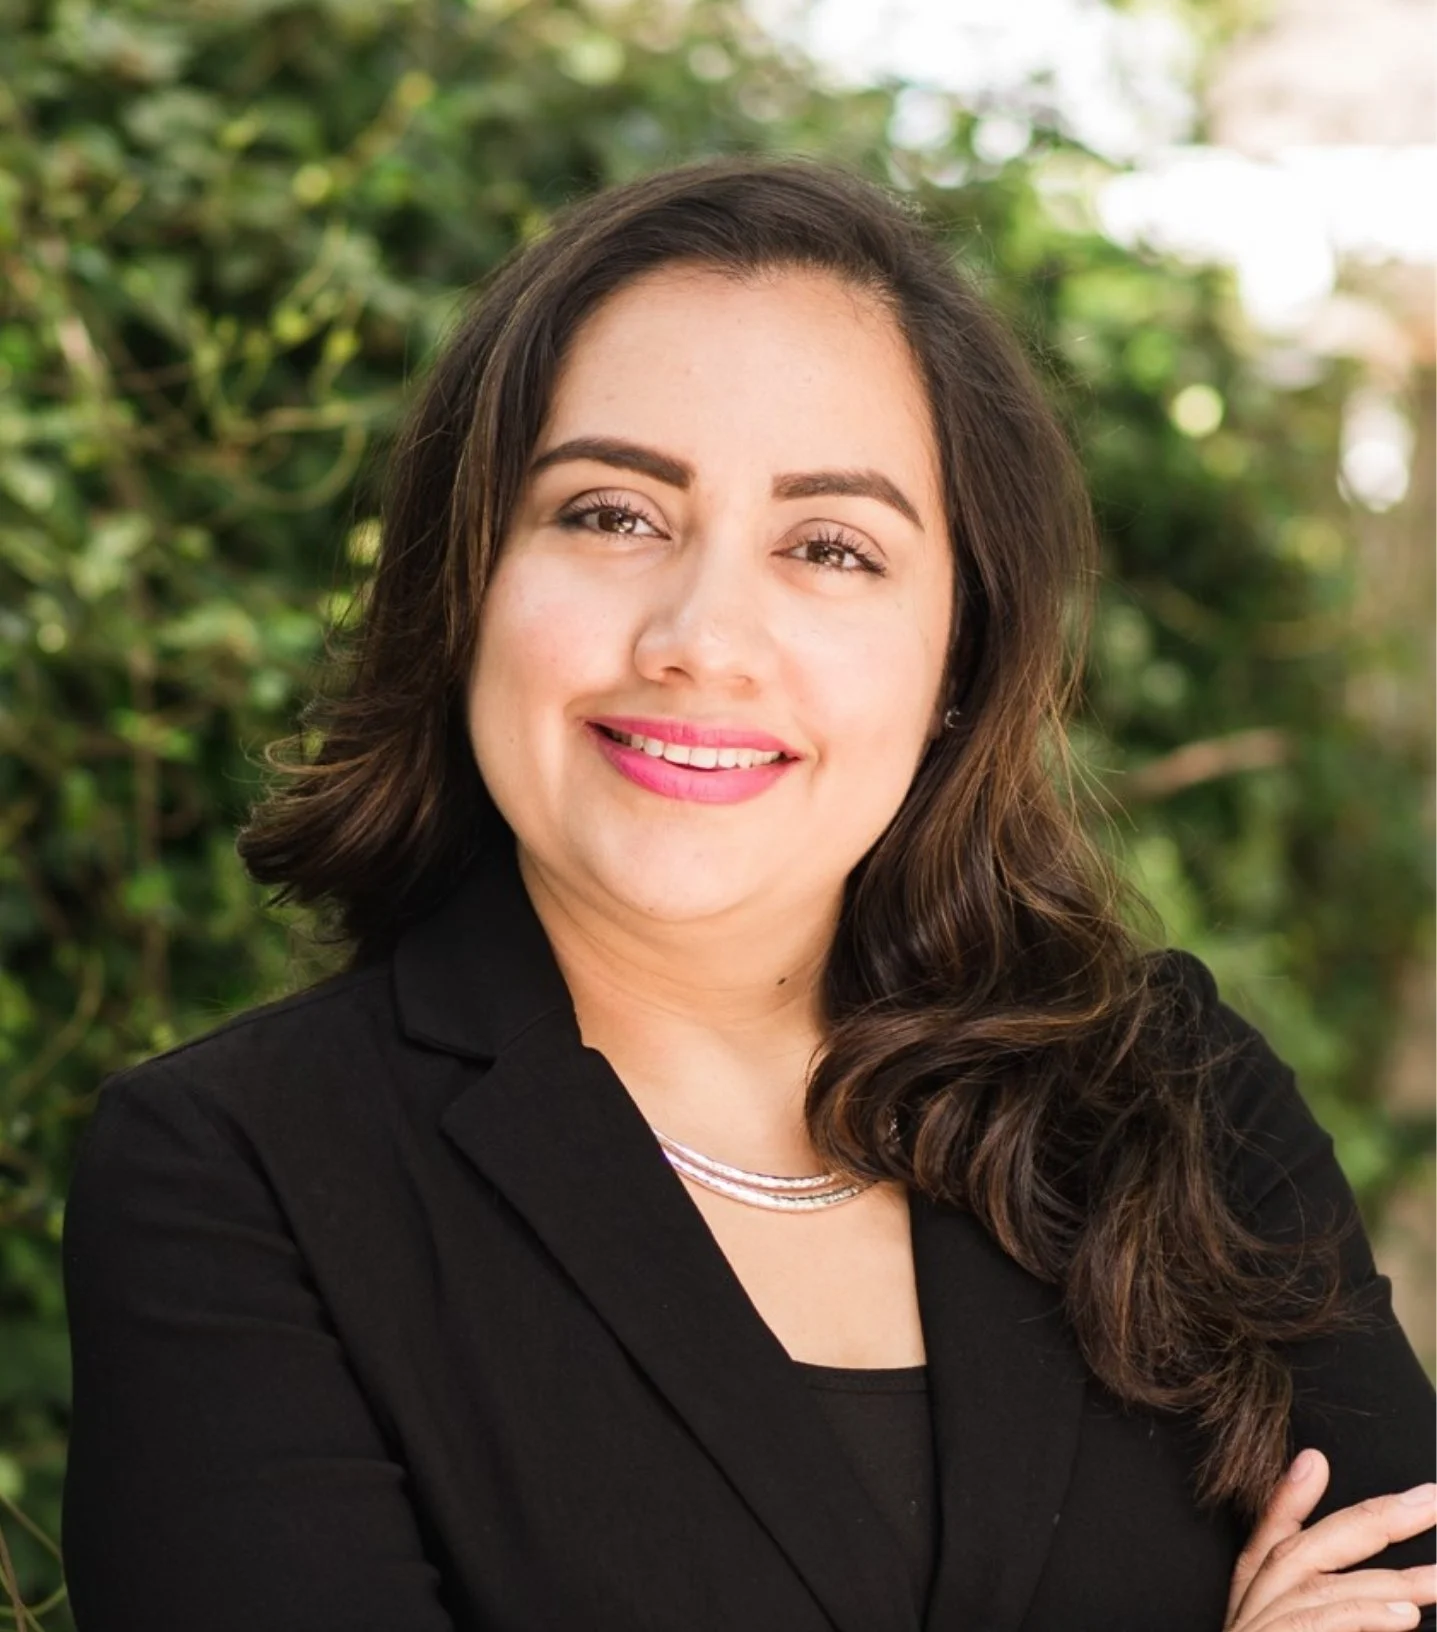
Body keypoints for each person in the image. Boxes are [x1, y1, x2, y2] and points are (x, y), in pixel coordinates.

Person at [61, 157, 1434, 1631]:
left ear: (958, 660)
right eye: (612, 515)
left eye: (830, 547)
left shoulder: (1173, 1096)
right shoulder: (243, 1175)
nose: (703, 638)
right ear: (468, 582)